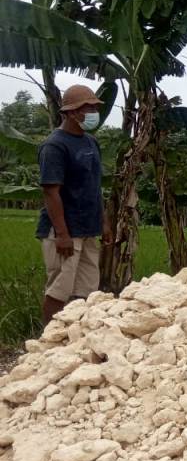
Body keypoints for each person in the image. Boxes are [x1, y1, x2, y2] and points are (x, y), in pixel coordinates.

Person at [37, 85, 108, 325]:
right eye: (86, 108)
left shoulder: (90, 142)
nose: (92, 112)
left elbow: (94, 187)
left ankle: (77, 341)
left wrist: (103, 222)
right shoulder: (55, 146)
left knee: (87, 290)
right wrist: (62, 234)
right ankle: (46, 342)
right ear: (70, 112)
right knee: (59, 289)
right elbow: (51, 192)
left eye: (94, 107)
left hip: (88, 228)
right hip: (65, 231)